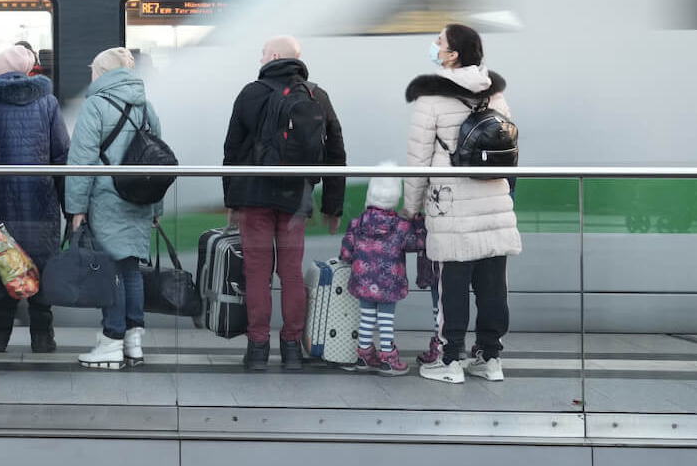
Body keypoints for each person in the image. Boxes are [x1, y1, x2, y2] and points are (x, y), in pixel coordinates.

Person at [222, 35, 347, 372]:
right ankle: (291, 348)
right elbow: (336, 153)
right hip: (297, 197)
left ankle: (258, 348)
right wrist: (333, 205)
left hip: (253, 197)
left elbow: (232, 150)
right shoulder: (317, 95)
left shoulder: (251, 93)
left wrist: (230, 199)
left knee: (257, 274)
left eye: (262, 52)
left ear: (274, 56)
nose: (260, 57)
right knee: (291, 273)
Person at [405, 23, 519, 385]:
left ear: (452, 55)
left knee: (451, 286)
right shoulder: (495, 94)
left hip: (450, 204)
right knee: (493, 287)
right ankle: (490, 358)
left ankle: (450, 360)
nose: (434, 46)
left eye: (438, 41)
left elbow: (418, 160)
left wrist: (411, 206)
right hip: (495, 201)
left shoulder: (431, 99)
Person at [66, 47, 162, 369]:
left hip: (106, 199)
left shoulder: (95, 106)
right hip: (139, 201)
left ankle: (111, 339)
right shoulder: (147, 107)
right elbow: (158, 162)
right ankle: (133, 340)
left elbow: (81, 161)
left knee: (110, 272)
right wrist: (156, 207)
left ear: (102, 73)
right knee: (130, 269)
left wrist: (76, 207)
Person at [0, 44, 70, 353]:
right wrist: (65, 201)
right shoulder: (48, 102)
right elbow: (61, 154)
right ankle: (43, 337)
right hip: (40, 198)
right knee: (40, 263)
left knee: (4, 262)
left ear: (1, 66)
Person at [339, 172, 424, 375]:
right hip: (389, 282)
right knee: (386, 319)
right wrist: (419, 225)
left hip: (363, 280)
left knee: (366, 317)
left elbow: (345, 253)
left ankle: (364, 354)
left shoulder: (357, 223)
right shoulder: (402, 226)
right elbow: (418, 244)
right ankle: (388, 356)